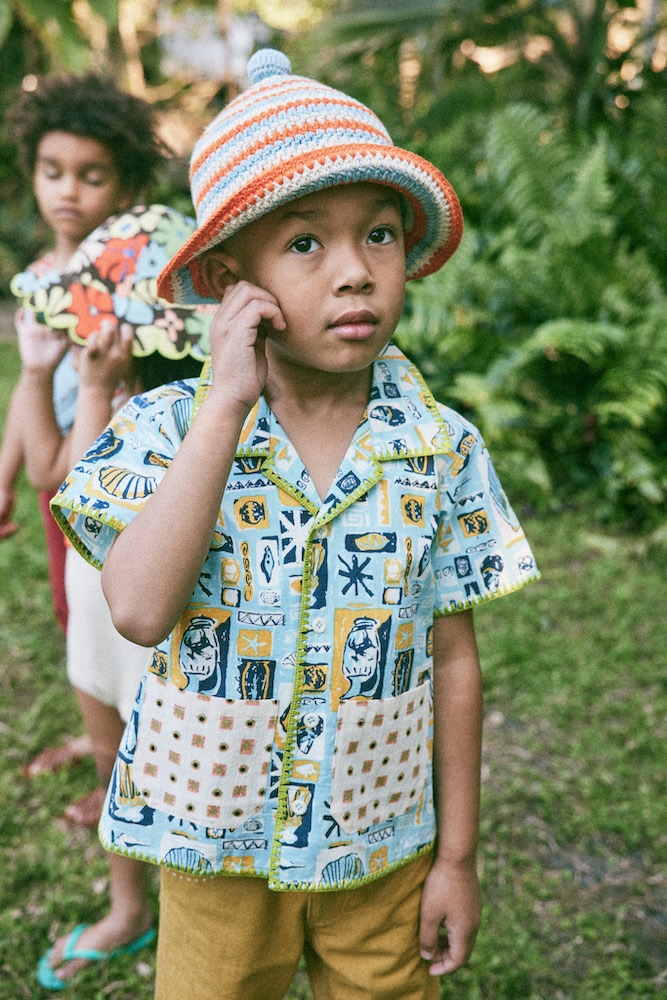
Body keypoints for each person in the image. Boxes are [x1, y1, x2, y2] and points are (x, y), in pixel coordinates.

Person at [51, 49, 540, 1000]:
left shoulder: (439, 448)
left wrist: (458, 859)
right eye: (306, 243)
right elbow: (140, 610)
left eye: (382, 235)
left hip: (381, 843)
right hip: (213, 840)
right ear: (236, 278)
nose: (356, 273)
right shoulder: (162, 432)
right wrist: (221, 410)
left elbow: (453, 657)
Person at [17, 309, 202, 989]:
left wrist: (96, 392)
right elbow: (60, 482)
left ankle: (185, 919)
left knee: (174, 785)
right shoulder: (115, 392)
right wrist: (60, 377)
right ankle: (129, 909)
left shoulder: (199, 414)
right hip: (98, 628)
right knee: (112, 775)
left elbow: (94, 498)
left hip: (155, 636)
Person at [0, 71, 168, 799]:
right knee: (75, 619)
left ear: (125, 187)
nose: (67, 190)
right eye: (53, 172)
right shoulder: (40, 276)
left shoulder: (129, 278)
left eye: (90, 176)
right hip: (55, 458)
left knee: (117, 621)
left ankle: (123, 765)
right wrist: (3, 473)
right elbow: (27, 387)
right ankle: (98, 730)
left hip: (109, 476)